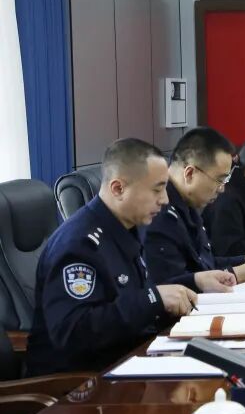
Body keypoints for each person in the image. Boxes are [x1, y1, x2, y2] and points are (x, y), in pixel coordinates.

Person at [25, 139, 201, 375]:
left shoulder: (129, 227)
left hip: (129, 359)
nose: (165, 199)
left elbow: (137, 298)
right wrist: (153, 300)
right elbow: (74, 333)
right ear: (118, 189)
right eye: (157, 189)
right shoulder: (79, 245)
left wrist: (191, 283)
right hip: (80, 382)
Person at [146, 127, 245, 291]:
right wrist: (236, 274)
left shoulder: (188, 205)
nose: (222, 189)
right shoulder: (159, 213)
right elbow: (169, 288)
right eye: (219, 180)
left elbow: (205, 264)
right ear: (189, 174)